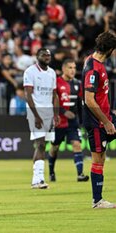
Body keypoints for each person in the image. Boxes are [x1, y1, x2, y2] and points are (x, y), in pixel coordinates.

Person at [82, 31, 116, 208]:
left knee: (100, 159)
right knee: (98, 159)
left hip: (106, 118)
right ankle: (97, 200)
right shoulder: (93, 68)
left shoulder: (93, 61)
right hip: (96, 122)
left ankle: (98, 200)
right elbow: (89, 99)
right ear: (110, 50)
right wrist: (107, 122)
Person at [23, 48, 60, 189]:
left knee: (45, 145)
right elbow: (28, 95)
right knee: (41, 144)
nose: (47, 57)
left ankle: (38, 179)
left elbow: (54, 95)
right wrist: (36, 116)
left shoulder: (52, 73)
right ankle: (37, 180)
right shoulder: (30, 72)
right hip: (35, 112)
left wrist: (56, 114)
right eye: (44, 54)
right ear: (37, 56)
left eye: (48, 55)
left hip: (49, 113)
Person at [48, 59, 89, 182]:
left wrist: (82, 120)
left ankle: (80, 174)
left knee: (77, 145)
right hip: (59, 121)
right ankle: (51, 172)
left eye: (74, 67)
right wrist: (63, 112)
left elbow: (80, 104)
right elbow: (51, 101)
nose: (73, 70)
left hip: (73, 122)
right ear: (64, 69)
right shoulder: (56, 82)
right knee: (54, 148)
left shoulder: (78, 84)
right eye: (70, 67)